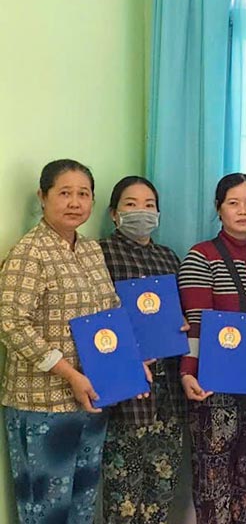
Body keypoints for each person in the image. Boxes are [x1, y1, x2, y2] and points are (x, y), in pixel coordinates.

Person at [0, 159, 120, 523]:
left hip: (92, 397)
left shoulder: (90, 250)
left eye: (83, 194)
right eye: (64, 193)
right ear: (43, 196)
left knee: (82, 502)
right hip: (42, 403)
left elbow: (109, 312)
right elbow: (11, 323)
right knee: (48, 509)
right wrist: (69, 373)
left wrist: (130, 362)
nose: (74, 202)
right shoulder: (29, 252)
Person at [177, 173, 246, 524]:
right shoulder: (201, 256)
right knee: (213, 480)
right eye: (233, 203)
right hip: (214, 385)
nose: (243, 210)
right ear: (219, 208)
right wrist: (187, 371)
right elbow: (194, 322)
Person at [99, 176, 188, 523]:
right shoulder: (101, 254)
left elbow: (178, 313)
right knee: (123, 492)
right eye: (131, 205)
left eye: (149, 205)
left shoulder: (168, 257)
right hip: (127, 389)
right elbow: (93, 320)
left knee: (161, 488)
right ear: (114, 213)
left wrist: (179, 323)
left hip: (168, 391)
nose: (142, 212)